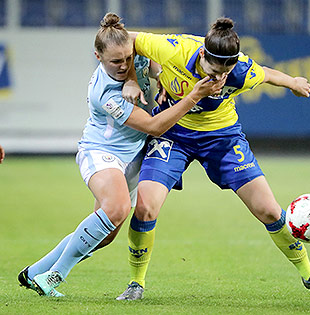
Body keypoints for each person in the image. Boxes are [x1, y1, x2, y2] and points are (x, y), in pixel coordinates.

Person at [116, 17, 310, 302]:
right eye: (213, 71)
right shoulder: (173, 48)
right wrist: (131, 79)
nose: (219, 78)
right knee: (146, 207)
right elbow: (123, 39)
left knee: (269, 210)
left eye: (226, 71)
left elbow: (268, 74)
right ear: (202, 56)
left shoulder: (241, 70)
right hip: (173, 134)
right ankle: (136, 282)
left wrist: (294, 83)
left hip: (222, 138)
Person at [17, 12, 225, 297]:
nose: (124, 65)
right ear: (97, 56)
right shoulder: (106, 93)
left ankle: (34, 272)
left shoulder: (133, 59)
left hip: (133, 158)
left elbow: (161, 67)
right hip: (102, 153)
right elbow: (154, 125)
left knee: (103, 234)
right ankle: (55, 276)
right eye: (116, 61)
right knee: (115, 209)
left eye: (127, 58)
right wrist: (192, 97)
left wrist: (157, 79)